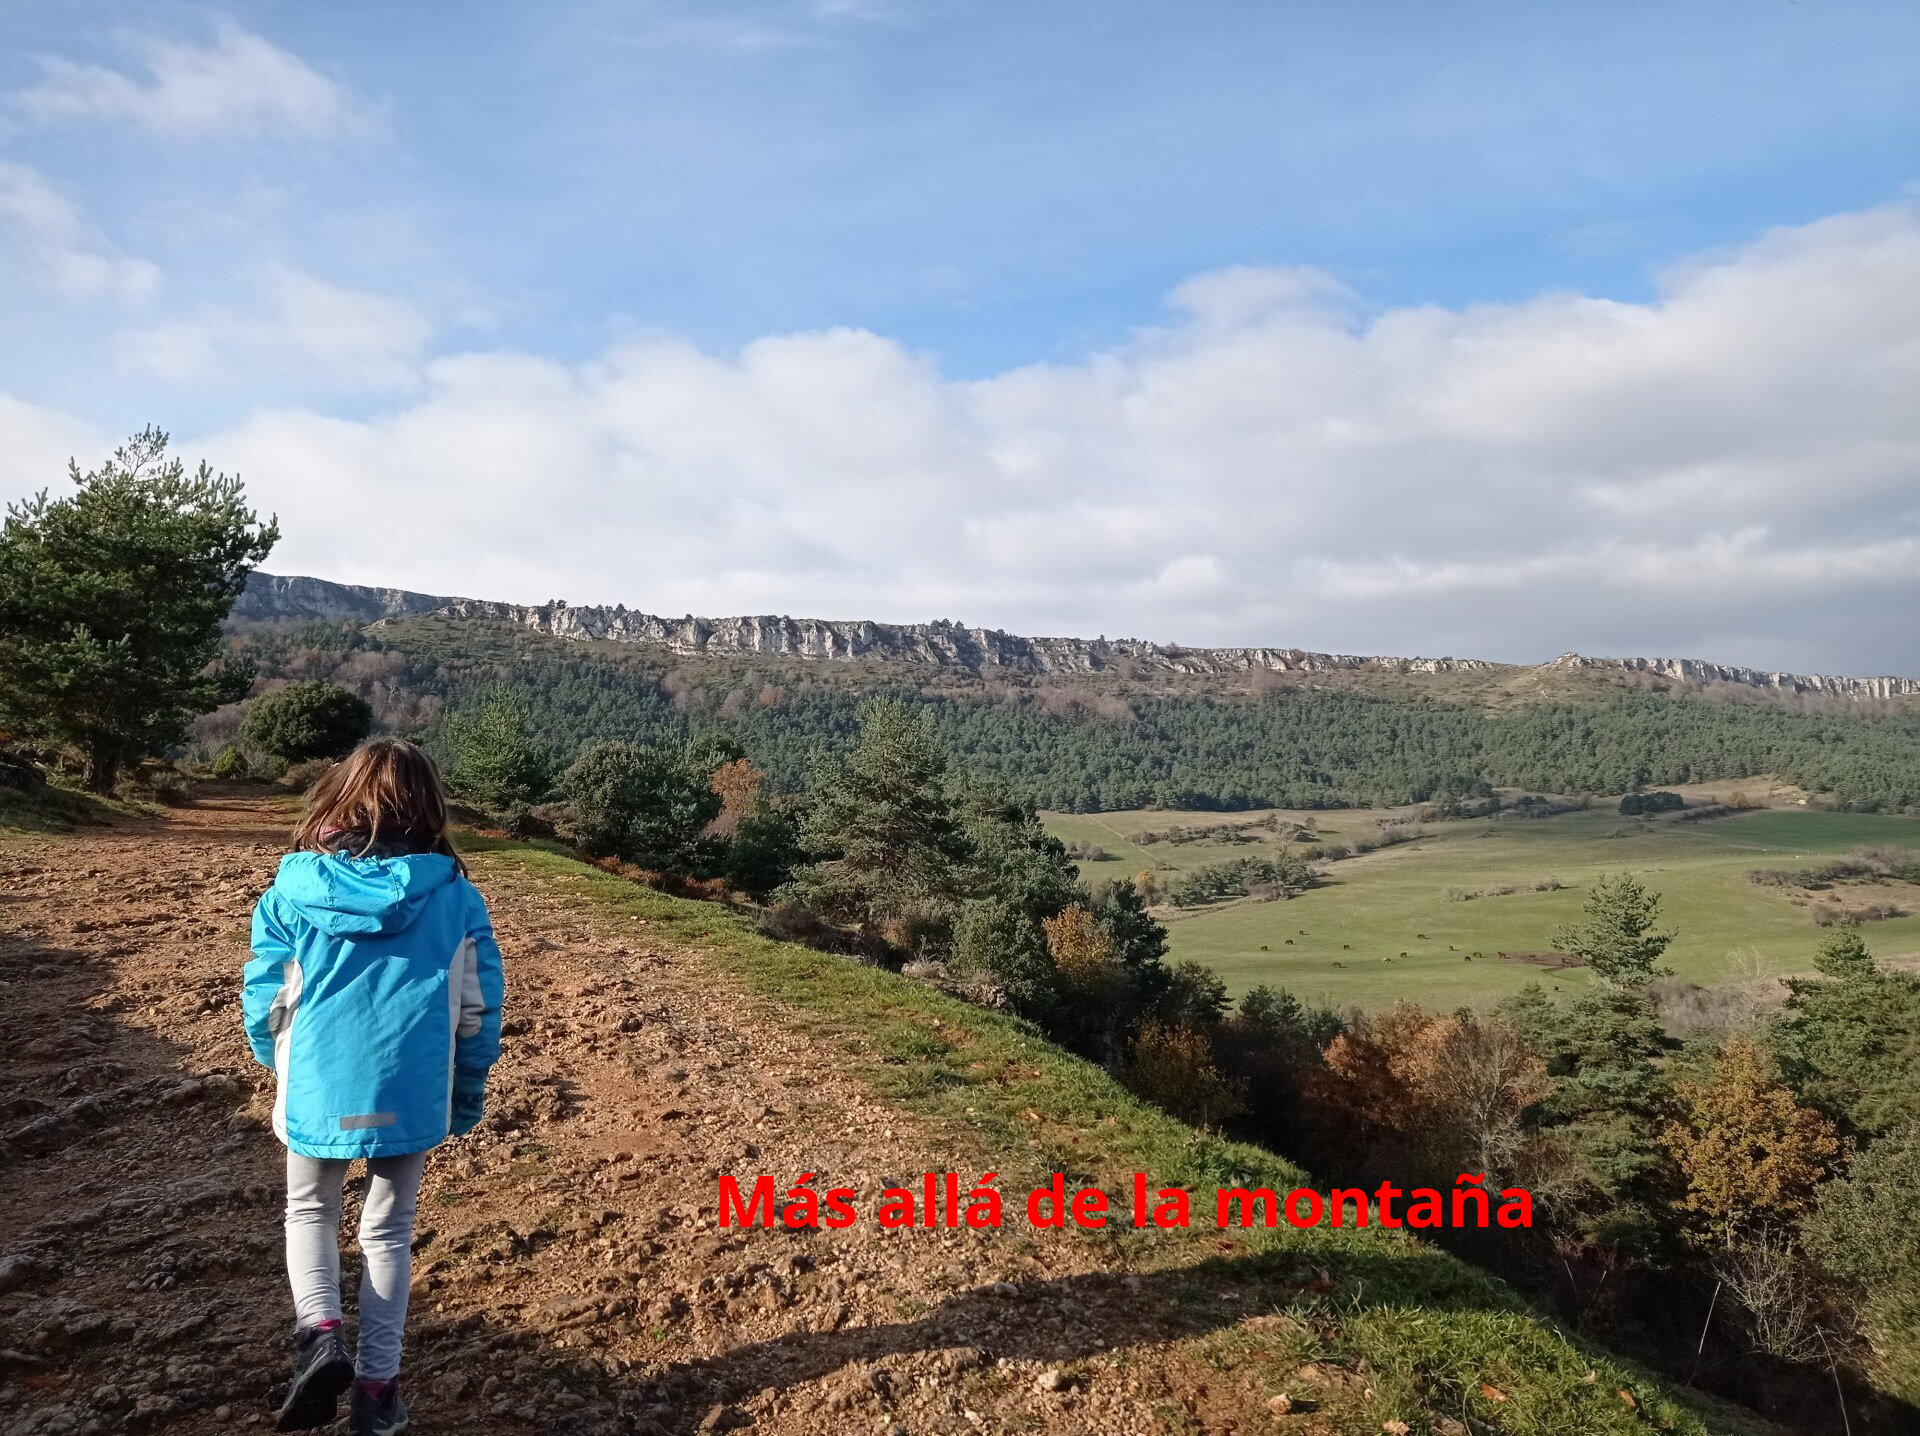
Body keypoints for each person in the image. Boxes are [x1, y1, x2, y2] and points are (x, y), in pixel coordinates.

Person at [242, 738, 505, 1435]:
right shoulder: (456, 896)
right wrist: (467, 1089)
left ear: (340, 797)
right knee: (388, 1231)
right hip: (412, 1085)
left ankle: (320, 1335)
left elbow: (267, 998)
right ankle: (378, 1392)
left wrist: (279, 1064)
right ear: (429, 805)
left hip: (317, 1082)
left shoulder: (288, 892)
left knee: (309, 1212)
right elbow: (478, 1010)